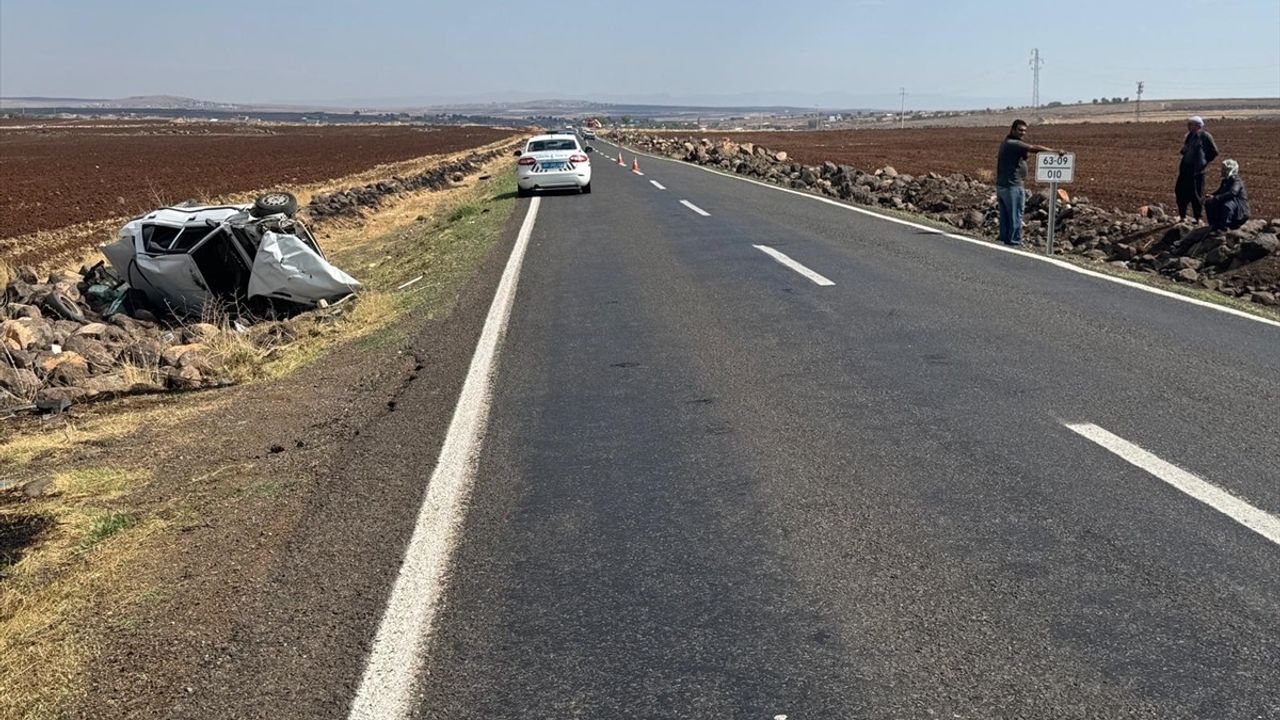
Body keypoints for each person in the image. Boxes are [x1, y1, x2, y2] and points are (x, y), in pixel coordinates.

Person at [995, 120, 1065, 247]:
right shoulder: (1013, 143)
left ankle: (1004, 238)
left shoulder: (1007, 143)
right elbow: (1033, 148)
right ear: (1013, 130)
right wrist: (1054, 151)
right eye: (1020, 130)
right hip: (1012, 185)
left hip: (1003, 185)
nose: (1023, 133)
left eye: (1024, 131)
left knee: (1006, 214)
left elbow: (1024, 154)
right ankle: (1014, 240)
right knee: (1016, 213)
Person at [1175, 115, 1219, 223]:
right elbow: (1185, 150)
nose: (1188, 126)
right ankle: (1182, 216)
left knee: (1196, 194)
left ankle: (1197, 218)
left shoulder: (1205, 136)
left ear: (1198, 126)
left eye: (1191, 124)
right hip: (1185, 169)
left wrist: (1203, 162)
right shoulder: (1189, 136)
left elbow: (1214, 152)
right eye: (1188, 124)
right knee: (1180, 191)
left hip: (1196, 171)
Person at [1204, 159, 1250, 231]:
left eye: (1224, 169)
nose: (1222, 171)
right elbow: (1219, 192)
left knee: (1227, 206)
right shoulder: (1225, 181)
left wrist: (1216, 198)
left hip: (1239, 208)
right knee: (1209, 203)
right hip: (1229, 202)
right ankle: (1214, 225)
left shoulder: (1236, 180)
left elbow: (1232, 193)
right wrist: (1211, 195)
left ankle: (1224, 226)